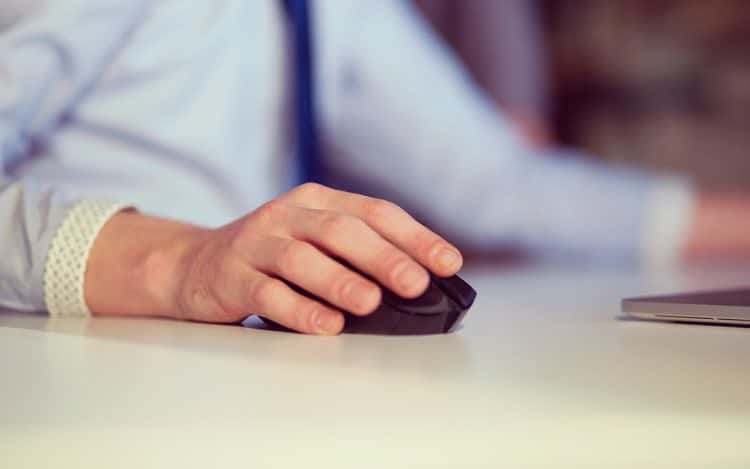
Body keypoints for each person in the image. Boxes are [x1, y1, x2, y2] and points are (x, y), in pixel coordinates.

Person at [2, 0, 750, 335]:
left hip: (249, 373)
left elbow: (495, 181)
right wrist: (177, 264)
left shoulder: (336, 9)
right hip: (74, 364)